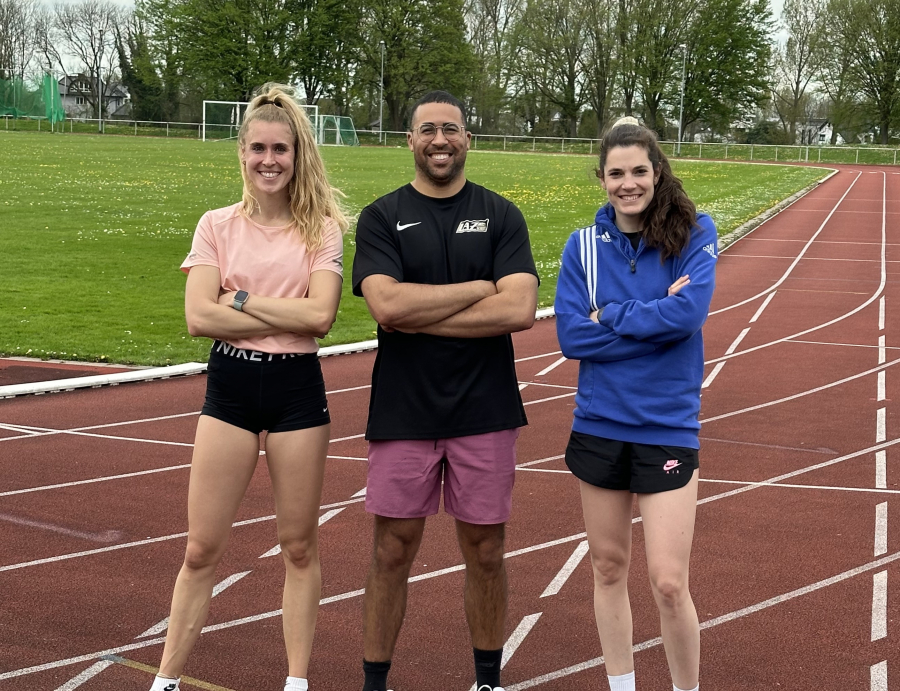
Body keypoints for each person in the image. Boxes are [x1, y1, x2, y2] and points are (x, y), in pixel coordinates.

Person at [148, 83, 348, 691]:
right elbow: (198, 319)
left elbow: (320, 319)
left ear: (298, 154)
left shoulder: (324, 230)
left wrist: (237, 296)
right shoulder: (215, 225)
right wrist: (275, 310)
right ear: (241, 154)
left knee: (298, 546)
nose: (269, 160)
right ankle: (165, 680)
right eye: (258, 148)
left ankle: (295, 681)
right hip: (229, 390)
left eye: (280, 149)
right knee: (200, 550)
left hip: (296, 392)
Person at [351, 90, 539, 691]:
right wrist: (479, 286)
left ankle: (487, 681)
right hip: (404, 409)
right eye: (428, 129)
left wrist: (417, 313)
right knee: (392, 551)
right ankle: (375, 683)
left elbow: (522, 309)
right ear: (410, 140)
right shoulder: (381, 216)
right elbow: (385, 303)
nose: (440, 140)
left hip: (484, 408)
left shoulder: (502, 214)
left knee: (486, 551)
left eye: (451, 130)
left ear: (467, 139)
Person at [554, 116, 718, 691]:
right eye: (616, 173)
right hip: (599, 424)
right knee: (607, 568)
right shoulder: (582, 247)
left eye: (639, 171)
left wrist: (616, 315)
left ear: (656, 172)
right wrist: (655, 318)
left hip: (667, 427)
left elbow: (687, 317)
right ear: (601, 177)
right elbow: (572, 338)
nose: (628, 183)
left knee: (669, 582)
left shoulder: (694, 234)